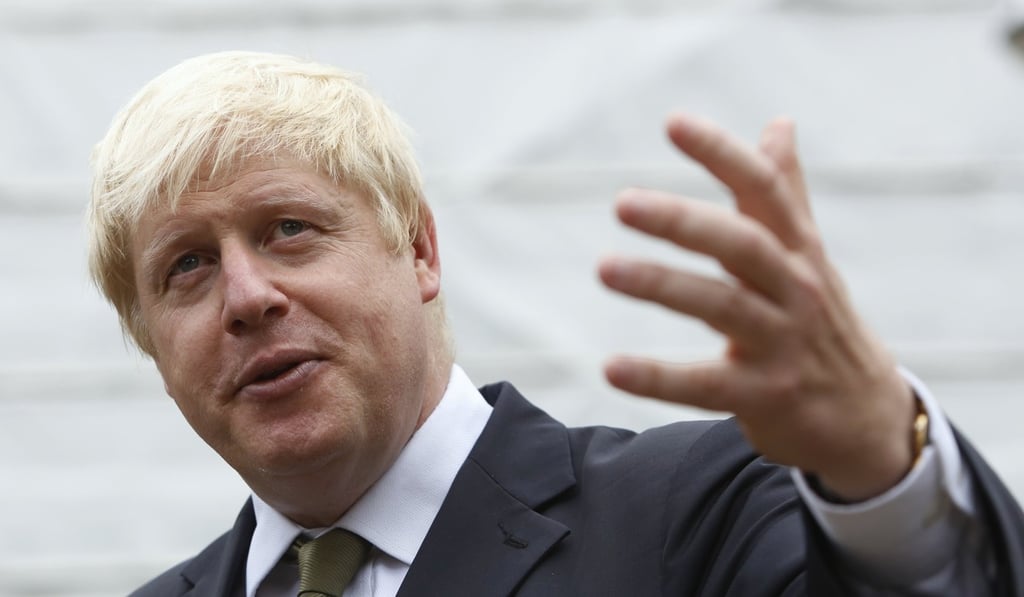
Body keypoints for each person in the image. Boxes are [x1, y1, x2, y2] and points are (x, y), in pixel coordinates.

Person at [87, 51, 1023, 597]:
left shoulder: (699, 514)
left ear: (419, 251)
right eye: (188, 267)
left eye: (288, 229)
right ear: (154, 346)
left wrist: (879, 469)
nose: (247, 296)